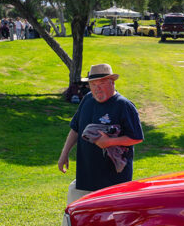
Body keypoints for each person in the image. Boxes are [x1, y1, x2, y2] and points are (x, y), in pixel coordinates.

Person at [58, 63, 144, 204]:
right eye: (93, 84)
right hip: (86, 176)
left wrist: (109, 142)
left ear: (112, 82)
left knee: (110, 220)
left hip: (113, 180)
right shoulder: (87, 100)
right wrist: (64, 154)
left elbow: (136, 137)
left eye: (102, 83)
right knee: (79, 216)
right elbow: (75, 128)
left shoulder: (123, 105)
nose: (97, 89)